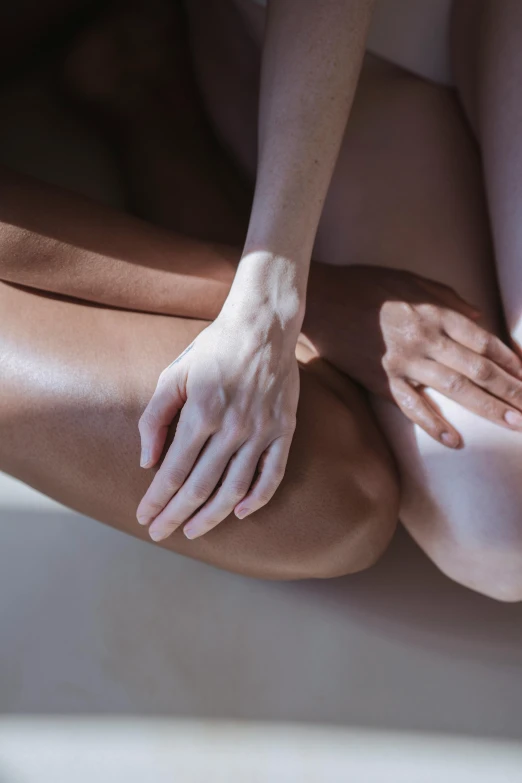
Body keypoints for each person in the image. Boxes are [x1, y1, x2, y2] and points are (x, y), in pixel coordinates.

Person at [1, 0, 522, 599]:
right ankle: (150, 102)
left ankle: (149, 98)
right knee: (490, 534)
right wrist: (308, 297)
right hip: (369, 57)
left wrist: (281, 293)